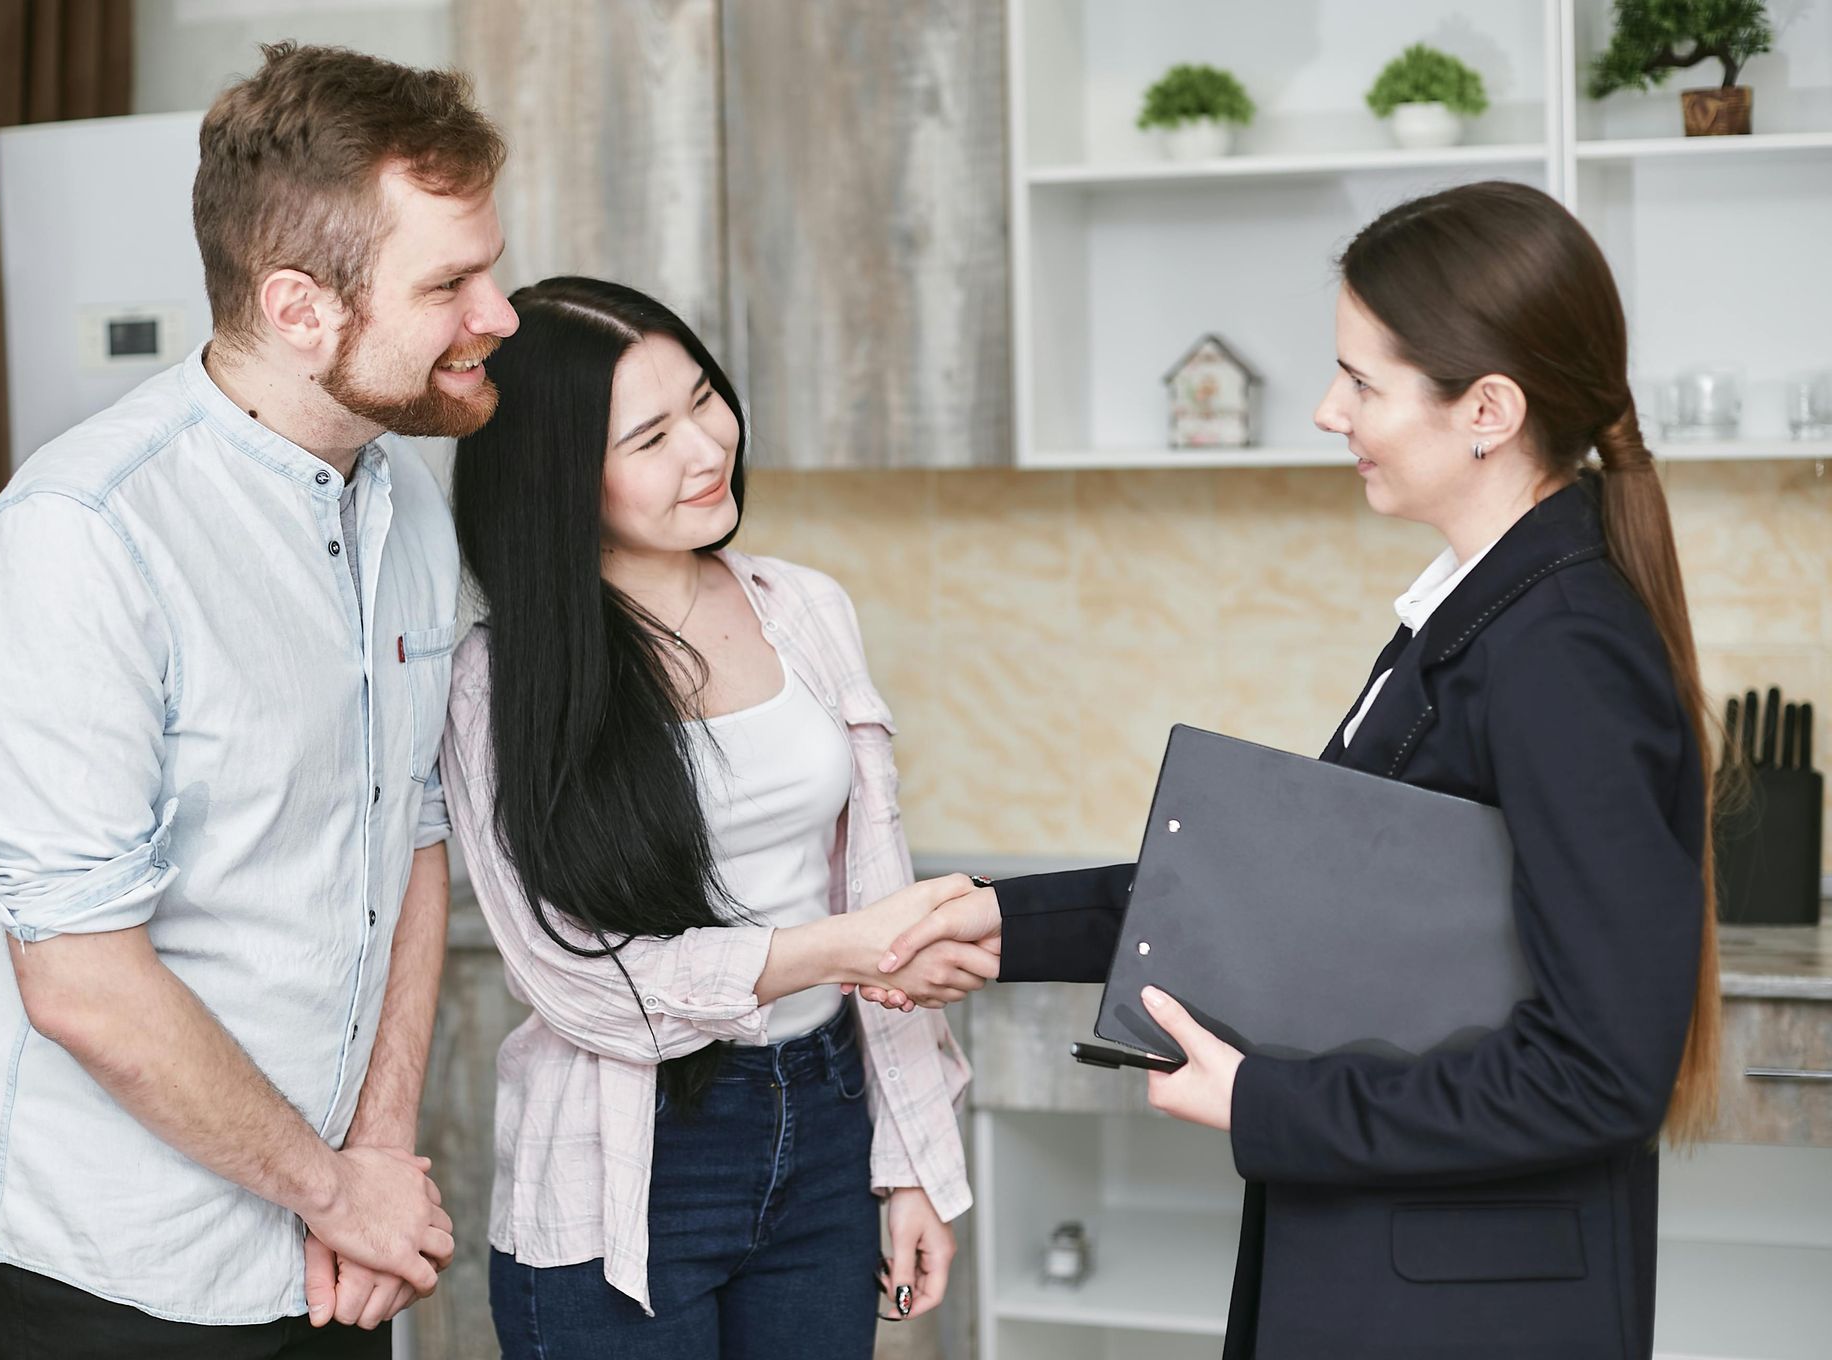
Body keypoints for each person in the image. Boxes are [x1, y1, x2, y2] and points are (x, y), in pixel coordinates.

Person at [866, 180, 1720, 1360]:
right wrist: (1002, 923)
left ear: (1487, 408)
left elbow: (1599, 1075)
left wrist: (1267, 1102)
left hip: (1472, 1304)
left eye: (1363, 381)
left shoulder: (1561, 651)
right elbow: (1296, 901)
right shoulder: (1477, 618)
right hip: (1408, 1271)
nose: (1329, 410)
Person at [0, 42, 518, 1356]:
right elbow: (79, 977)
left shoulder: (405, 503)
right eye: (453, 283)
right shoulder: (85, 535)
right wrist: (336, 1189)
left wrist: (373, 1151)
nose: (501, 313)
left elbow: (406, 833)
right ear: (301, 308)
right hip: (115, 1273)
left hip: (328, 1243)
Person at [444, 276, 989, 1359]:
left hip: (827, 1118)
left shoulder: (804, 608)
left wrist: (913, 1165)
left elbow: (872, 884)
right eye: (649, 437)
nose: (706, 448)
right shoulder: (500, 683)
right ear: (560, 477)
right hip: (629, 1158)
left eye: (703, 399)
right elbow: (580, 984)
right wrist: (837, 949)